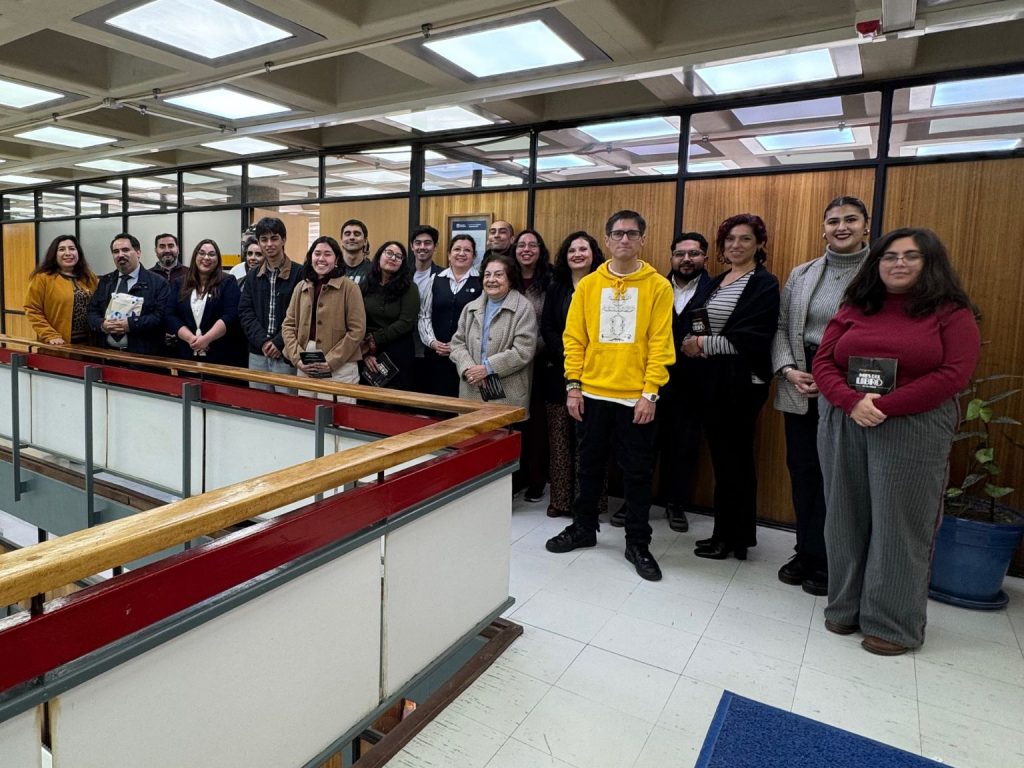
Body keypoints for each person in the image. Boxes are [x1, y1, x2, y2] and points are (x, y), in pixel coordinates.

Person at [813, 227, 980, 656]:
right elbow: (824, 361)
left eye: (911, 256)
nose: (899, 263)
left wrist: (886, 405)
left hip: (912, 427)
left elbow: (953, 374)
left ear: (930, 262)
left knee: (900, 523)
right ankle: (844, 606)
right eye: (890, 256)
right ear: (877, 262)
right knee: (844, 515)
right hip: (847, 418)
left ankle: (891, 623)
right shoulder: (856, 305)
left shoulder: (950, 311)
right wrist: (852, 402)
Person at [545, 210, 675, 582]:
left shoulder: (657, 286)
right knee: (588, 467)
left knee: (636, 473)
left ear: (642, 240)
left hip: (636, 396)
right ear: (608, 239)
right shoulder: (588, 286)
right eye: (617, 234)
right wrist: (573, 386)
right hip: (591, 394)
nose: (624, 240)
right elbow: (574, 338)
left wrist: (650, 393)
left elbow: (660, 344)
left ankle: (638, 542)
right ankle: (584, 528)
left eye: (631, 234)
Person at [771, 196, 872, 596]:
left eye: (851, 220)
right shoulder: (803, 272)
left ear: (866, 225)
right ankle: (806, 551)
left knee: (842, 476)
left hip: (849, 386)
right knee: (804, 471)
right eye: (833, 221)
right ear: (823, 228)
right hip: (800, 380)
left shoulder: (878, 273)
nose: (841, 227)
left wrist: (833, 378)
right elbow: (781, 326)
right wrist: (787, 369)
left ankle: (835, 559)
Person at [682, 214, 780, 561]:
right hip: (714, 383)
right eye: (730, 240)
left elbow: (752, 339)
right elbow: (699, 320)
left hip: (741, 386)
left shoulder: (763, 284)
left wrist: (702, 346)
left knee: (735, 463)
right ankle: (724, 534)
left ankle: (735, 538)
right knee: (724, 463)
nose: (736, 245)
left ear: (758, 244)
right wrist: (691, 341)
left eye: (745, 239)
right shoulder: (720, 280)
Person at [651, 231, 713, 533]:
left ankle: (676, 504)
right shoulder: (655, 286)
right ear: (671, 256)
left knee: (684, 445)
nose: (686, 259)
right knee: (643, 443)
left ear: (705, 257)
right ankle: (638, 500)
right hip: (653, 380)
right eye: (680, 254)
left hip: (694, 382)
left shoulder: (715, 290)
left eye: (694, 253)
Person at [540, 230, 604, 518]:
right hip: (559, 372)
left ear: (594, 254)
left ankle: (590, 502)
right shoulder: (557, 287)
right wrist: (569, 354)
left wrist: (587, 357)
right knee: (559, 440)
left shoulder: (606, 286)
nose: (577, 254)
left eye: (584, 249)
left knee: (590, 441)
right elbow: (548, 327)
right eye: (572, 250)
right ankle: (561, 500)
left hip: (596, 375)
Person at [449, 252, 536, 410]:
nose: (491, 280)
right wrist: (468, 368)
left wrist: (487, 368)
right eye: (487, 275)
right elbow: (457, 344)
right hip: (471, 390)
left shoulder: (523, 308)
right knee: (471, 434)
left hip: (507, 395)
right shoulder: (470, 308)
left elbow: (524, 350)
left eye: (498, 275)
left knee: (502, 434)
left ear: (510, 279)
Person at [282, 236, 366, 398]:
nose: (321, 258)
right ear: (310, 257)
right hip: (306, 360)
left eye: (327, 254)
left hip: (341, 363)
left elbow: (357, 330)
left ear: (337, 259)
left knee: (339, 418)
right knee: (308, 415)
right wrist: (297, 358)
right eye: (317, 253)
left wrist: (331, 361)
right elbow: (288, 325)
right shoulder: (301, 287)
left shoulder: (350, 287)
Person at [238, 217, 303, 394]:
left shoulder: (300, 273)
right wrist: (263, 342)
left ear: (283, 240)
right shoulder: (253, 275)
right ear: (258, 242)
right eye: (264, 240)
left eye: (274, 238)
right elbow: (245, 312)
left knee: (287, 409)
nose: (269, 244)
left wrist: (278, 342)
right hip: (258, 353)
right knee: (258, 406)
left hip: (286, 353)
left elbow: (302, 315)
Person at [513, 229, 553, 502]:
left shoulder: (551, 280)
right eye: (521, 245)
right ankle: (515, 479)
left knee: (537, 426)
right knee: (513, 424)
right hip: (510, 365)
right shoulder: (508, 277)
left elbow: (551, 323)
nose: (526, 249)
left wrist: (527, 350)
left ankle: (536, 481)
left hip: (540, 363)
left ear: (540, 249)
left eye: (532, 245)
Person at [417, 234, 482, 396]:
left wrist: (456, 346)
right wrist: (432, 342)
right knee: (435, 402)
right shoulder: (436, 279)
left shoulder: (481, 282)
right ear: (449, 254)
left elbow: (481, 321)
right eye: (457, 249)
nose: (461, 253)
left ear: (474, 256)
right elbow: (424, 315)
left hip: (467, 356)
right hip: (435, 355)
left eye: (467, 250)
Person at [87, 233, 170, 355]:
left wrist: (131, 324)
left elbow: (161, 317)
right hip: (108, 356)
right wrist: (102, 324)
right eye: (116, 251)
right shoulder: (106, 282)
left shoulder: (158, 283)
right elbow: (92, 311)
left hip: (143, 357)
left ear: (138, 253)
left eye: (125, 250)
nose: (120, 255)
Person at [164, 239, 241, 365]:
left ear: (218, 259)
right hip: (186, 353)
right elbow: (170, 314)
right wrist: (191, 339)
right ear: (195, 256)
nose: (206, 257)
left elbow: (231, 315)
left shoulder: (228, 282)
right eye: (202, 253)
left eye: (211, 254)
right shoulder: (179, 283)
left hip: (219, 355)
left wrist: (206, 339)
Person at [360, 241, 420, 390]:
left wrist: (375, 339)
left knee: (394, 404)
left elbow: (406, 322)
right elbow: (356, 318)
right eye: (389, 253)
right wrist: (365, 352)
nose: (393, 258)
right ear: (379, 255)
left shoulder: (409, 287)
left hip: (397, 352)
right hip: (367, 350)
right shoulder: (365, 284)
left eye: (398, 256)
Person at [24, 234, 98, 345]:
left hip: (91, 343)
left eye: (72, 249)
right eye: (61, 249)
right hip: (59, 343)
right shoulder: (42, 278)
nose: (68, 253)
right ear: (54, 254)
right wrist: (50, 335)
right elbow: (32, 310)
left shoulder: (88, 277)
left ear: (78, 253)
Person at [410, 225, 442, 391]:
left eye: (428, 243)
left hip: (432, 349)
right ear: (412, 246)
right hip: (407, 348)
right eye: (418, 243)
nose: (422, 247)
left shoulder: (444, 277)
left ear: (435, 246)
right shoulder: (403, 275)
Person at [339, 219, 373, 289]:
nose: (352, 237)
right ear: (341, 240)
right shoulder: (332, 270)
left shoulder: (373, 271)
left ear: (365, 241)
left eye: (357, 234)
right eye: (347, 234)